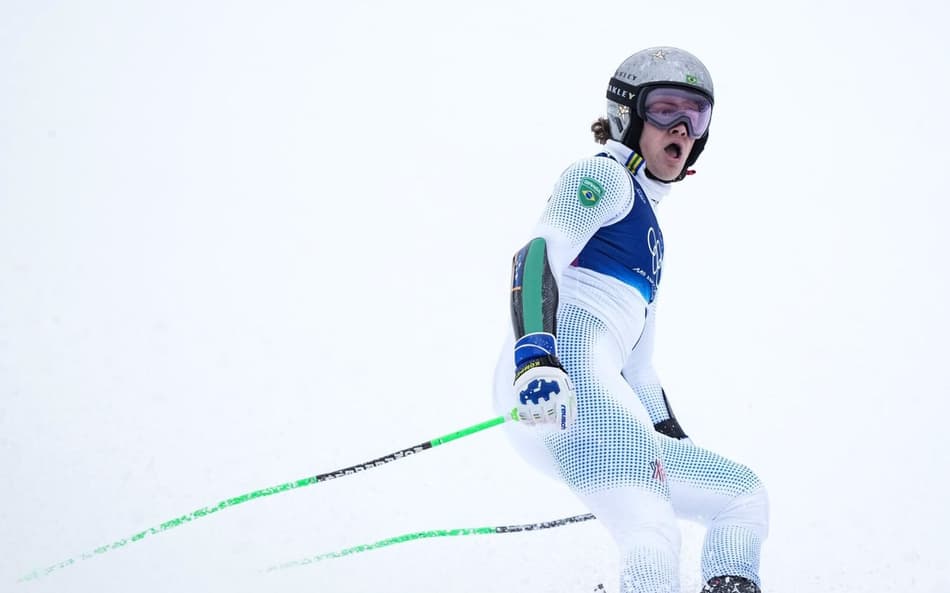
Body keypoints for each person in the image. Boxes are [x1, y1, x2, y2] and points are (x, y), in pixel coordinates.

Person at [492, 47, 769, 593]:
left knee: (740, 495)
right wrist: (536, 359)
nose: (683, 128)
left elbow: (640, 371)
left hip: (600, 398)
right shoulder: (604, 179)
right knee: (652, 531)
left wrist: (674, 441)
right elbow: (534, 255)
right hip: (557, 383)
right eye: (667, 109)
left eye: (697, 116)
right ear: (629, 114)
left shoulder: (652, 238)